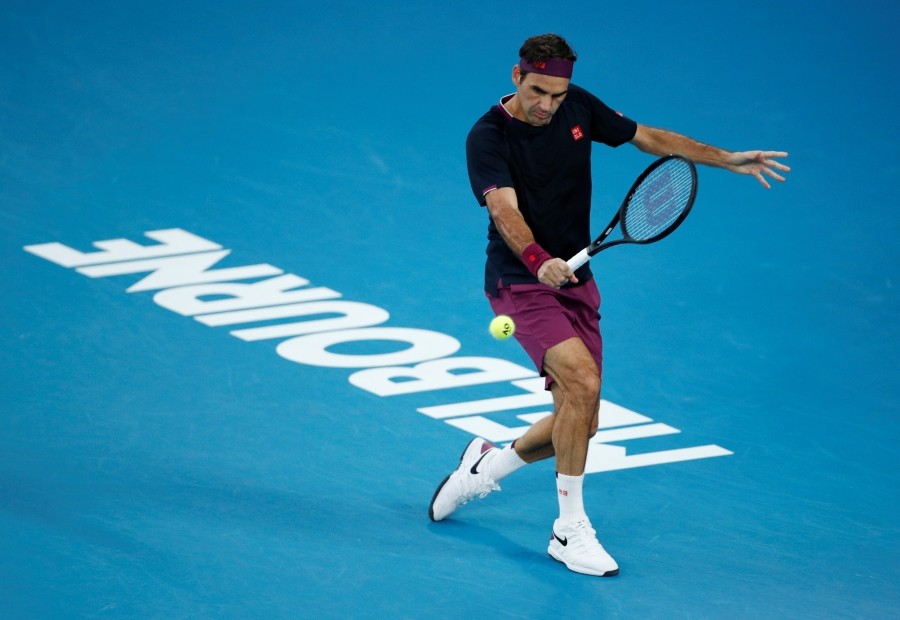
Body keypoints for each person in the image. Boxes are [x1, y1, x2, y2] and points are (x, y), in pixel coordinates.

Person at [428, 33, 790, 577]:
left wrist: (726, 159)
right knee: (584, 385)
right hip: (519, 280)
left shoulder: (577, 106)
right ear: (515, 76)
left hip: (577, 278)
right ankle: (568, 531)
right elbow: (504, 211)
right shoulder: (487, 137)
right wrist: (535, 257)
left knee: (581, 422)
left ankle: (485, 466)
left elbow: (649, 138)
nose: (547, 104)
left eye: (557, 93)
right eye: (537, 91)